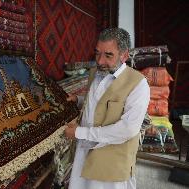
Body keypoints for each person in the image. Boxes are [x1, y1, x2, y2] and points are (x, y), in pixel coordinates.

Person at [64, 28, 150, 189]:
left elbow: (127, 129)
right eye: (97, 53)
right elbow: (98, 103)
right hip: (84, 151)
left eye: (108, 55)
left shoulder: (138, 84)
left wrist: (79, 132)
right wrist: (79, 100)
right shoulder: (95, 73)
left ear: (124, 55)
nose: (100, 61)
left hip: (111, 161)